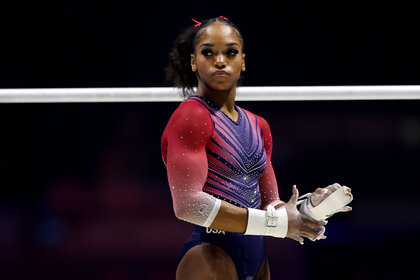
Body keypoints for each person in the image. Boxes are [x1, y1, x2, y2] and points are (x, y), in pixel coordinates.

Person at [161, 16, 352, 280]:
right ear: (194, 61)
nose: (219, 61)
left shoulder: (258, 125)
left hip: (256, 254)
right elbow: (189, 205)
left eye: (230, 52)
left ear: (243, 60)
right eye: (208, 53)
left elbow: (270, 205)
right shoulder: (191, 116)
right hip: (210, 254)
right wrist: (279, 225)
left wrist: (308, 211)